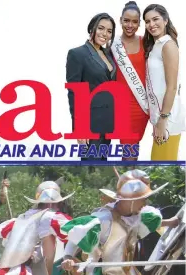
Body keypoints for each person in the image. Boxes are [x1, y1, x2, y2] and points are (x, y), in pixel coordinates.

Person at [67, 13, 118, 160]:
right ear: (92, 28)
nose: (105, 34)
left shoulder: (108, 55)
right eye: (101, 28)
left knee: (102, 165)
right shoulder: (77, 54)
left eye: (109, 31)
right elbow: (74, 93)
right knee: (91, 167)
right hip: (90, 124)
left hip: (107, 123)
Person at [144, 4, 185, 159]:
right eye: (147, 21)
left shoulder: (168, 45)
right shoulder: (156, 46)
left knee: (163, 162)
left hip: (168, 118)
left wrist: (163, 120)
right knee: (157, 160)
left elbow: (172, 87)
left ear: (166, 20)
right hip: (160, 116)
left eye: (155, 19)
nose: (151, 24)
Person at [112, 2, 150, 160]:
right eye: (126, 20)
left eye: (135, 22)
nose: (130, 25)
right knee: (128, 152)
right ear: (120, 20)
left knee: (134, 149)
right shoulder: (111, 45)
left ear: (140, 23)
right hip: (121, 106)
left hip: (143, 105)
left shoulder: (146, 43)